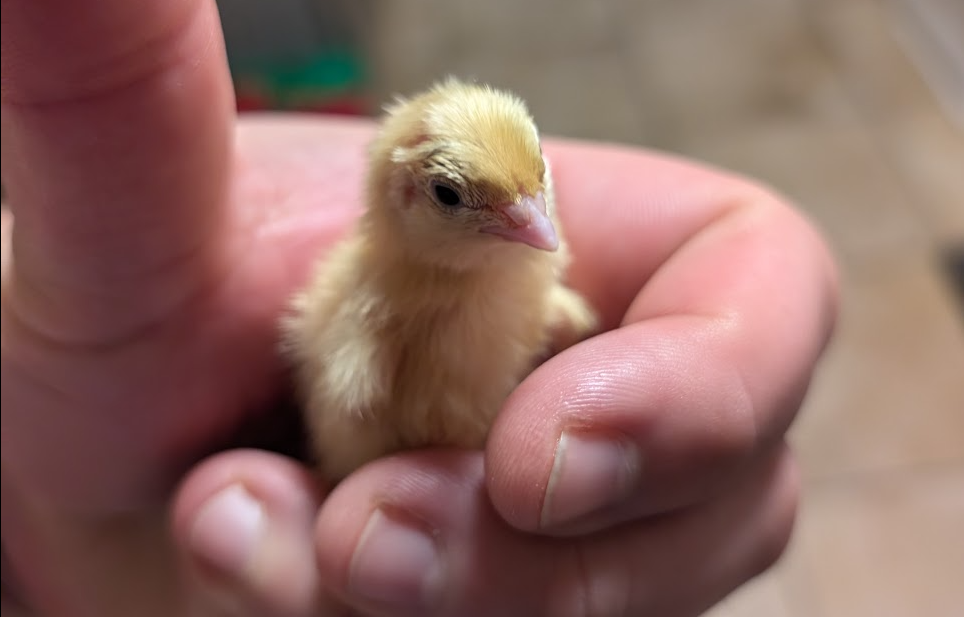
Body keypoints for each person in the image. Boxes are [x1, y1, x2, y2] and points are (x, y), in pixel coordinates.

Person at [0, 1, 839, 615]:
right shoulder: (380, 292)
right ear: (403, 196)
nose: (533, 222)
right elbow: (346, 371)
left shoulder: (518, 264)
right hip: (370, 470)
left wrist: (561, 314)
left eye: (534, 181)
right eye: (451, 195)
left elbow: (546, 304)